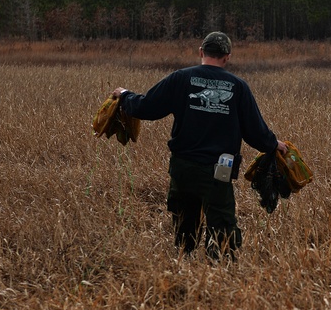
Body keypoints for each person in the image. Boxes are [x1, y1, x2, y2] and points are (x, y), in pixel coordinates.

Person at [111, 32, 287, 262]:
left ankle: (184, 263)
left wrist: (124, 96)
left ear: (201, 52)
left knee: (184, 223)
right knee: (222, 226)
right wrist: (274, 145)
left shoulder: (180, 79)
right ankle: (219, 272)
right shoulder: (238, 87)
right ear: (227, 57)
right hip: (219, 171)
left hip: (183, 166)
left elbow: (146, 108)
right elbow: (255, 132)